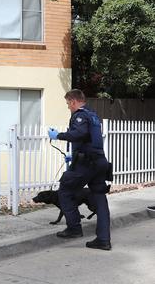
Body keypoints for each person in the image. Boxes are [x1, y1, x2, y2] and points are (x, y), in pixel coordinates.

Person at [48, 89, 111, 250]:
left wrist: (58, 136)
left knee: (64, 191)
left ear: (74, 101)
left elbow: (79, 133)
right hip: (99, 162)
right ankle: (103, 240)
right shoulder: (93, 115)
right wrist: (74, 155)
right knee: (99, 198)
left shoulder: (80, 115)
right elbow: (90, 138)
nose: (68, 107)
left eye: (68, 103)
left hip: (86, 164)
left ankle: (74, 228)